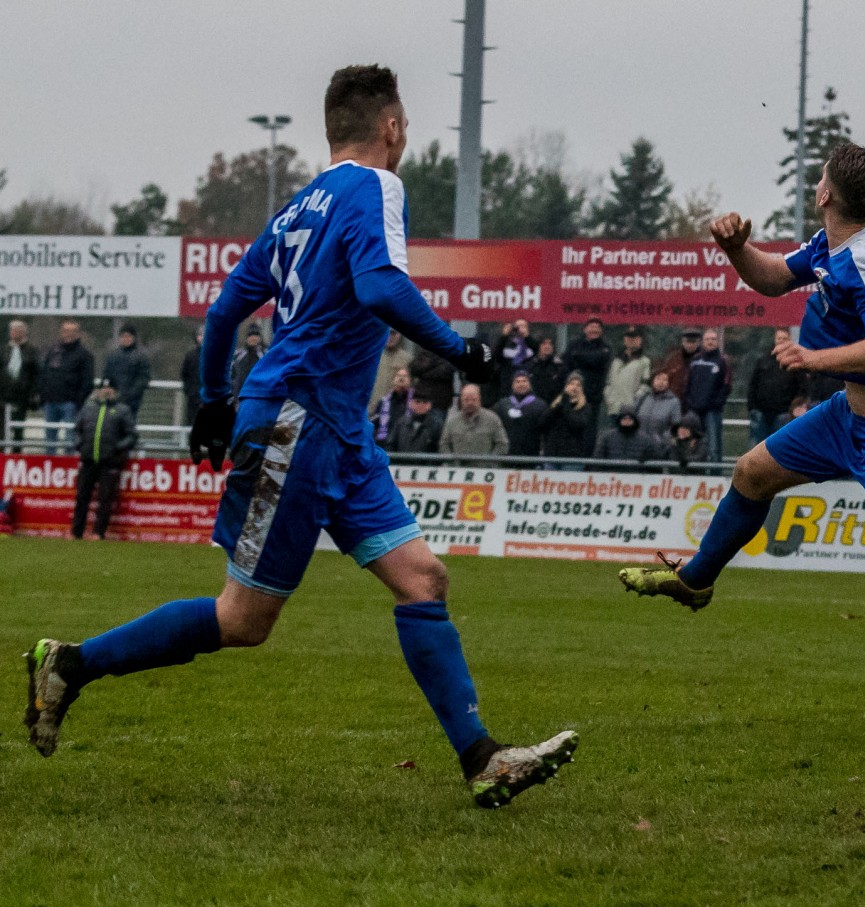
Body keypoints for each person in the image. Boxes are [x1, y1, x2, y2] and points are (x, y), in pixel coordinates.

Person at [22, 65, 576, 808]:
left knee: (423, 579)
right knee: (243, 619)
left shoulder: (293, 211)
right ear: (391, 126)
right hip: (299, 418)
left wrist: (215, 399)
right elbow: (380, 286)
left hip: (332, 429)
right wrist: (463, 349)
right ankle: (71, 664)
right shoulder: (375, 187)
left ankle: (482, 758)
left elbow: (223, 314)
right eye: (403, 123)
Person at [619, 143, 865, 745]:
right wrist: (736, 249)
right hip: (847, 418)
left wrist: (814, 357)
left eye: (818, 179)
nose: (816, 185)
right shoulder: (831, 245)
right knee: (752, 471)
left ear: (825, 194)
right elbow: (771, 280)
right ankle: (697, 580)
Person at [70, 381, 137, 540]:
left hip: (110, 461)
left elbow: (131, 435)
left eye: (109, 388)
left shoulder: (122, 410)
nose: (106, 391)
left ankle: (98, 532)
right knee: (82, 497)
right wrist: (79, 444)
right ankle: (76, 532)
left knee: (105, 498)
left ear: (115, 391)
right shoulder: (88, 408)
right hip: (88, 460)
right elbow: (76, 431)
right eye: (103, 388)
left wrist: (117, 448)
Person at [37, 320, 96, 453]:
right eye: (66, 331)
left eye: (72, 331)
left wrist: (77, 401)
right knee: (50, 438)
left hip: (70, 404)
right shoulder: (52, 351)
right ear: (61, 332)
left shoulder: (84, 355)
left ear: (78, 334)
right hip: (50, 402)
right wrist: (43, 395)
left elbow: (87, 382)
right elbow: (44, 373)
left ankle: (68, 465)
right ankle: (50, 464)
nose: (68, 334)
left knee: (70, 438)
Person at [746, 329, 806, 447]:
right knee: (757, 449)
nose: (781, 341)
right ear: (775, 340)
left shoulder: (794, 362)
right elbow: (753, 385)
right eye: (779, 338)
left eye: (784, 339)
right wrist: (752, 407)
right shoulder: (763, 360)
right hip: (761, 413)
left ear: (789, 341)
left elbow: (803, 387)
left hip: (783, 414)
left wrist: (794, 408)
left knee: (780, 448)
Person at [685, 328, 732, 461]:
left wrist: (716, 403)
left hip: (712, 412)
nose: (710, 342)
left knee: (714, 446)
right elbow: (688, 383)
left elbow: (726, 386)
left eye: (713, 339)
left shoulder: (723, 361)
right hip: (694, 411)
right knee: (693, 444)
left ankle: (716, 477)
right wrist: (689, 402)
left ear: (717, 342)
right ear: (702, 342)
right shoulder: (695, 360)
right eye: (707, 339)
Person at [439, 384, 508, 461]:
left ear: (479, 399)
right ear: (461, 400)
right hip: (458, 469)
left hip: (484, 469)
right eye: (466, 400)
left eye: (474, 399)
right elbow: (444, 444)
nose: (470, 403)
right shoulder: (452, 421)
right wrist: (452, 461)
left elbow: (502, 444)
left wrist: (490, 462)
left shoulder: (492, 419)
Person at [1, 320, 40, 451]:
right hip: (3, 398)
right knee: (2, 430)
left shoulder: (32, 351)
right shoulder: (3, 350)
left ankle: (16, 456)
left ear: (24, 332)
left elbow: (37, 374)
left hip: (21, 398)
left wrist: (33, 394)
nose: (15, 333)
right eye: (13, 330)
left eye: (19, 330)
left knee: (18, 431)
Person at [540, 371, 597, 461]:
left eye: (578, 385)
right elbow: (543, 422)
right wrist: (559, 404)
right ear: (566, 386)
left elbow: (576, 424)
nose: (574, 387)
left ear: (582, 389)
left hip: (572, 457)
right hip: (552, 454)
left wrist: (566, 403)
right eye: (571, 383)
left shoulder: (586, 407)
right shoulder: (556, 404)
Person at [101, 324, 153, 419]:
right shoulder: (113, 356)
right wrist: (107, 389)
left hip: (132, 402)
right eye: (123, 336)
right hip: (113, 400)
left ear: (134, 338)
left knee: (128, 427)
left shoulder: (141, 357)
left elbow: (143, 378)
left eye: (128, 336)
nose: (126, 339)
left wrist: (130, 394)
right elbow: (106, 376)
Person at [492, 370, 546, 457]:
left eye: (524, 381)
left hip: (531, 456)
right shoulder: (502, 405)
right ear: (512, 385)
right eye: (517, 381)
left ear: (530, 384)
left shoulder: (540, 405)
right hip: (507, 455)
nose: (521, 384)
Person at [563, 316, 612, 406]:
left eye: (598, 328)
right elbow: (566, 364)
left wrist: (579, 357)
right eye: (592, 327)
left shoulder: (605, 348)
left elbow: (595, 361)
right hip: (574, 392)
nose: (595, 330)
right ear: (585, 329)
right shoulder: (574, 345)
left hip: (594, 394)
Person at [604, 326, 651, 417]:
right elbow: (608, 382)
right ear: (624, 339)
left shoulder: (645, 361)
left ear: (640, 340)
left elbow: (645, 385)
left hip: (631, 410)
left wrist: (634, 401)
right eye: (628, 337)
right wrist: (609, 399)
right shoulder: (616, 360)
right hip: (613, 408)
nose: (631, 339)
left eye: (635, 337)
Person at [637, 369, 682, 450]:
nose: (661, 382)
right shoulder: (643, 397)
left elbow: (676, 426)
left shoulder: (674, 401)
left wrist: (662, 440)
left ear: (668, 383)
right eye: (658, 378)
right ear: (653, 381)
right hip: (639, 445)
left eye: (664, 380)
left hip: (659, 447)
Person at [492, 320, 535, 404]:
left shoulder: (531, 342)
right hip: (507, 385)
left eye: (523, 326)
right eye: (517, 327)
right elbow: (496, 355)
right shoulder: (506, 342)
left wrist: (527, 337)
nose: (519, 329)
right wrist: (504, 336)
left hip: (528, 386)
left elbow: (538, 352)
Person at [370, 330, 413, 412]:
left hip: (393, 411)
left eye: (394, 333)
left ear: (399, 335)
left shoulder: (406, 359)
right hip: (370, 409)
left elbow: (409, 388)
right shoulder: (372, 355)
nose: (390, 337)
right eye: (388, 333)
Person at [660, 328, 702, 400]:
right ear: (682, 342)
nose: (690, 345)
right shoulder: (673, 359)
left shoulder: (704, 359)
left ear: (698, 343)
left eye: (693, 342)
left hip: (696, 401)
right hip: (674, 400)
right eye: (687, 342)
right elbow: (665, 377)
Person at [230, 324, 266, 397]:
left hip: (260, 394)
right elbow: (231, 373)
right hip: (240, 394)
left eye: (256, 335)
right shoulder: (238, 355)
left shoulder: (265, 355)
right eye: (251, 335)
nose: (253, 338)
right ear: (247, 338)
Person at [526, 337, 566, 404]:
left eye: (550, 344)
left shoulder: (560, 366)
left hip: (553, 405)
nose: (547, 346)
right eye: (544, 344)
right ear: (539, 346)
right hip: (533, 404)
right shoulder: (530, 365)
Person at [179, 328, 204, 423]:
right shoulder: (190, 355)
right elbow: (184, 374)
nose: (202, 338)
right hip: (193, 397)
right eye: (200, 335)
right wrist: (189, 390)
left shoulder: (215, 355)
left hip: (209, 398)